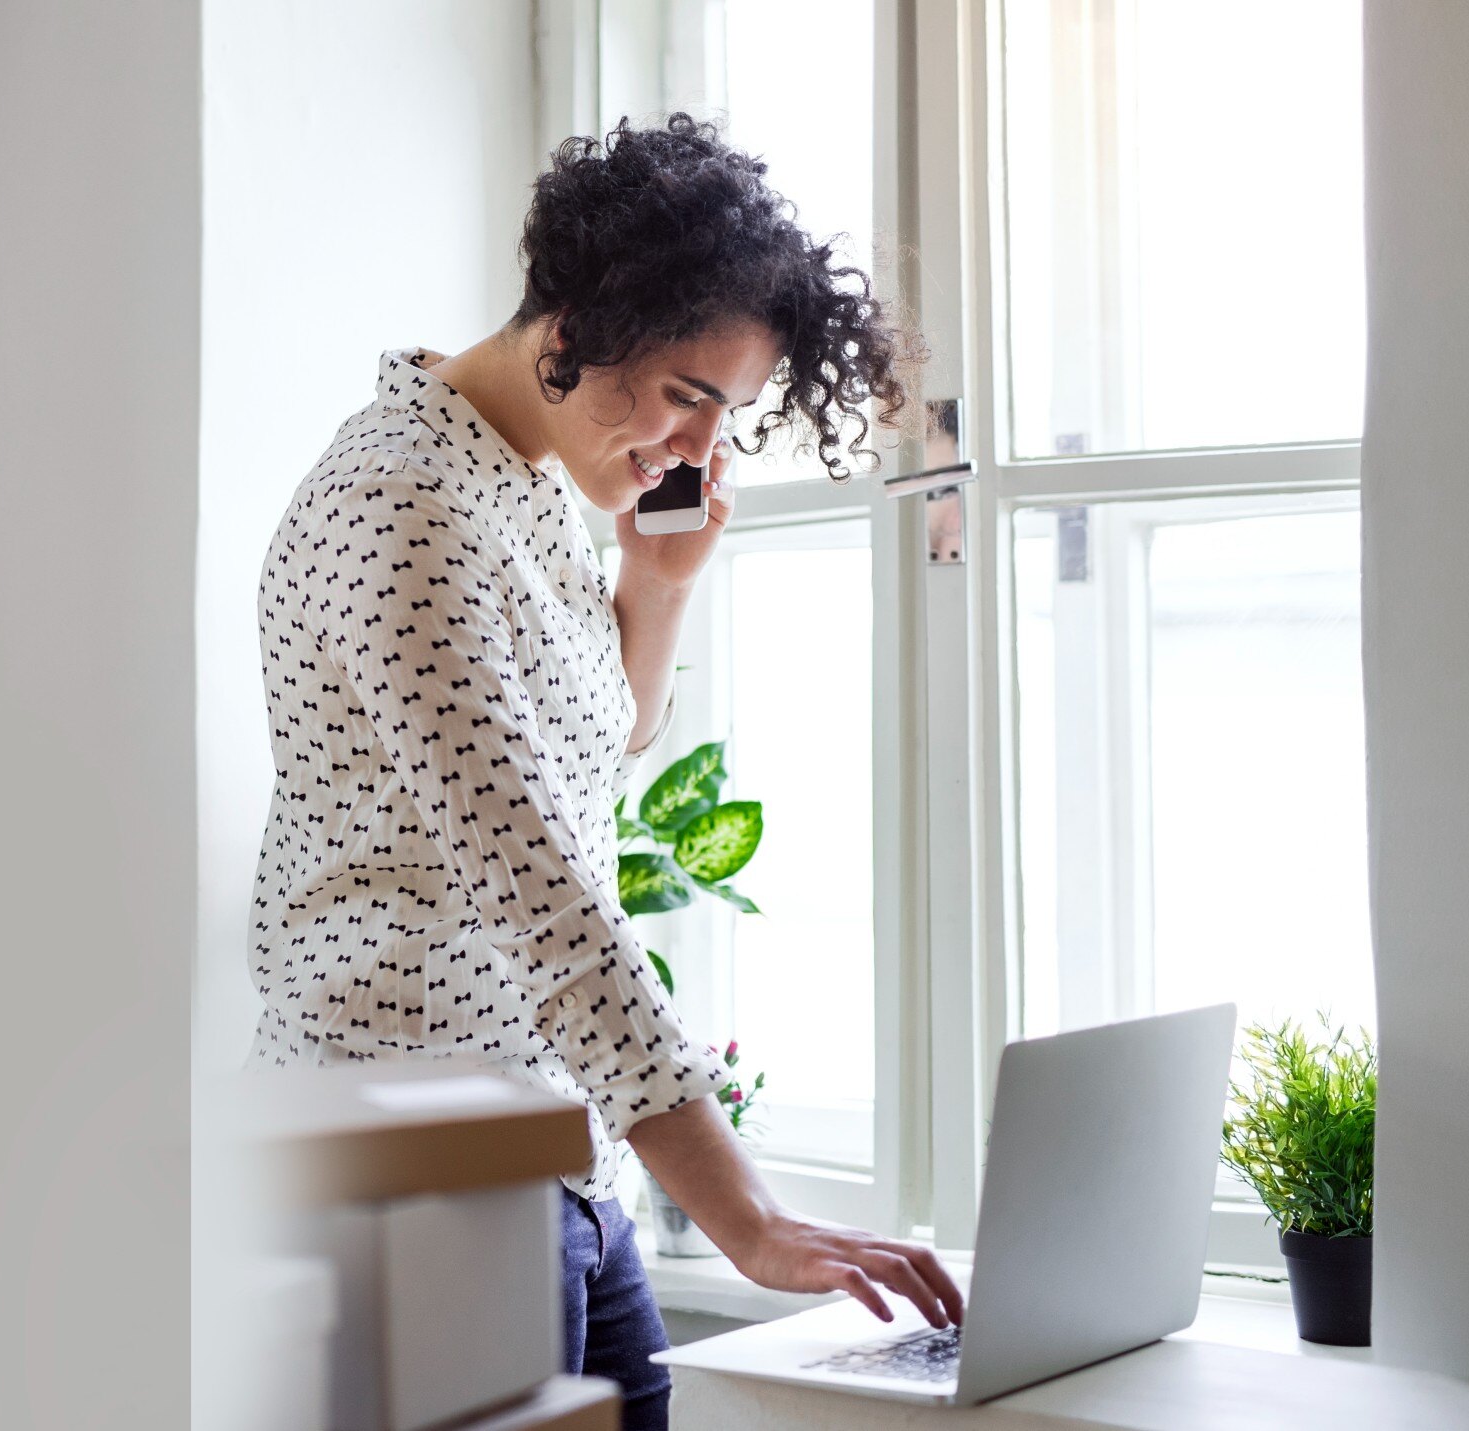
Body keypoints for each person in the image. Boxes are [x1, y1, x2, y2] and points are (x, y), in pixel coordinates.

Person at [243, 114, 962, 1430]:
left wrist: (652, 586)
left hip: (547, 1147)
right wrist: (742, 1218)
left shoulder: (509, 480)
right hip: (411, 1161)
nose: (690, 447)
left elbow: (580, 759)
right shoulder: (400, 507)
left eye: (721, 415)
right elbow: (546, 898)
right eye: (687, 396)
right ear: (581, 319)